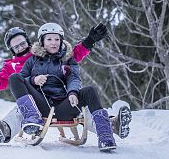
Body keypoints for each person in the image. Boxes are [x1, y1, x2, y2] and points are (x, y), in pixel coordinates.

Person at [0, 23, 124, 143]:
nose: (20, 47)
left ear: (28, 42)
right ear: (12, 50)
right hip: (33, 101)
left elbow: (71, 55)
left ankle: (110, 126)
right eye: (16, 46)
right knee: (21, 108)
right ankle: (5, 129)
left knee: (83, 108)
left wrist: (89, 41)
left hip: (60, 99)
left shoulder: (44, 51)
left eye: (22, 43)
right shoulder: (12, 67)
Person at [8, 23, 118, 152]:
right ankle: (32, 119)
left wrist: (72, 92)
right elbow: (22, 78)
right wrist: (34, 80)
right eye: (49, 39)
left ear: (61, 41)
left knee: (90, 90)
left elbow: (74, 78)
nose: (53, 43)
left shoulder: (68, 59)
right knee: (14, 78)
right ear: (42, 41)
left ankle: (105, 135)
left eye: (57, 39)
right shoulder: (33, 60)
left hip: (63, 107)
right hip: (41, 105)